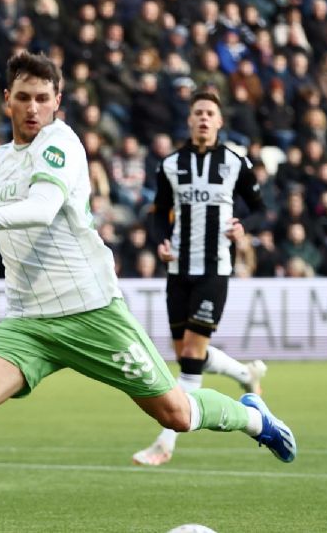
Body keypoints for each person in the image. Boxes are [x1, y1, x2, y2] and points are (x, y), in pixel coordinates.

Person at [0, 51, 297, 533]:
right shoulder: (0, 158)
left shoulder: (62, 143)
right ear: (6, 101)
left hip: (91, 311)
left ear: (57, 101)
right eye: (23, 98)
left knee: (178, 413)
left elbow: (40, 206)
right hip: (30, 321)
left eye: (43, 98)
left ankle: (252, 417)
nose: (33, 107)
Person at [131, 91, 273, 467]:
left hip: (214, 269)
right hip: (177, 270)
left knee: (192, 355)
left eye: (211, 112)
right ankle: (246, 373)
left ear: (220, 121)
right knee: (185, 354)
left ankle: (165, 444)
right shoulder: (172, 165)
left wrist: (244, 227)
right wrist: (161, 239)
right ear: (190, 121)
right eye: (198, 113)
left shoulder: (235, 163)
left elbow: (260, 210)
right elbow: (158, 211)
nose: (205, 119)